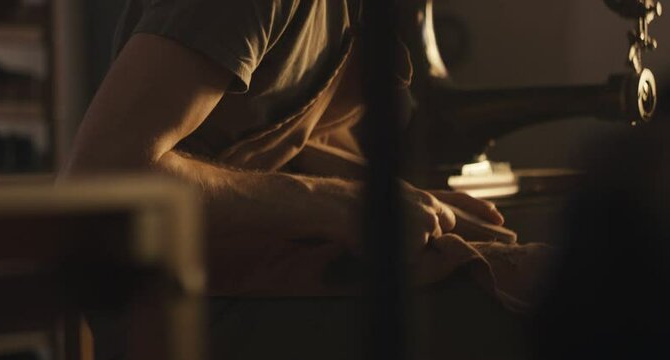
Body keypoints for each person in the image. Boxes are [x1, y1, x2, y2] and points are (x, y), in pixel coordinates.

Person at [62, 0, 547, 358]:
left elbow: (267, 151)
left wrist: (408, 205)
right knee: (559, 315)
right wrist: (342, 206)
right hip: (175, 308)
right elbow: (104, 178)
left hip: (258, 269)